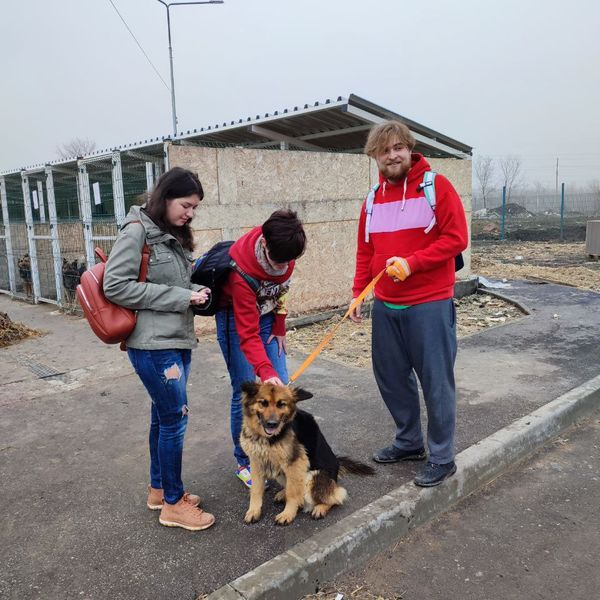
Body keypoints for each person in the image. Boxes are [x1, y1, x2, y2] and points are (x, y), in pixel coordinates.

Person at [350, 120, 468, 487]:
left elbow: (456, 238)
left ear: (409, 148)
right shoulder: (372, 198)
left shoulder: (436, 187)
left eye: (398, 147)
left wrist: (412, 263)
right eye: (384, 151)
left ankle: (443, 456)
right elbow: (365, 250)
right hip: (386, 304)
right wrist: (358, 292)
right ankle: (408, 441)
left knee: (436, 382)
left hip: (429, 303)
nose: (392, 155)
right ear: (375, 157)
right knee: (391, 379)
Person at [103, 167, 215, 531]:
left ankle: (159, 489)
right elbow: (115, 287)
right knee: (174, 421)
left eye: (195, 207)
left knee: (163, 418)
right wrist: (182, 296)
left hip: (175, 341)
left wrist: (197, 287)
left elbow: (171, 281)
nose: (190, 213)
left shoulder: (170, 234)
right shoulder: (136, 232)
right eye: (186, 205)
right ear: (165, 197)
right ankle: (173, 503)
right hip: (153, 346)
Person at [215, 209, 307, 487]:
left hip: (267, 314)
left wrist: (279, 324)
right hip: (236, 318)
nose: (283, 267)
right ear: (264, 244)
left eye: (289, 261)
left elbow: (282, 289)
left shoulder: (286, 247)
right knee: (245, 390)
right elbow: (248, 335)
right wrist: (264, 371)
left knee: (283, 387)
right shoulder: (241, 270)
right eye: (277, 261)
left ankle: (278, 453)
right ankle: (244, 462)